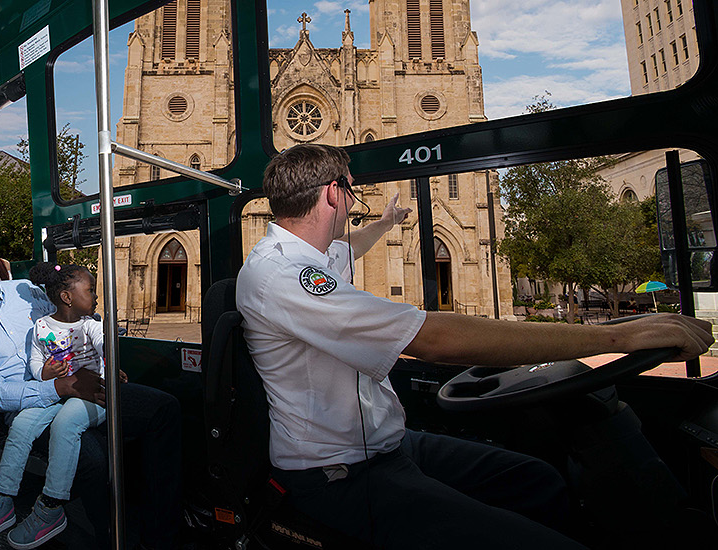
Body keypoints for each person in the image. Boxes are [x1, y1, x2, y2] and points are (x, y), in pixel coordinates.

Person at [238, 143, 714, 549]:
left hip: (389, 445)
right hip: (337, 474)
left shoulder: (311, 255)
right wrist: (619, 335)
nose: (352, 203)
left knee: (538, 482)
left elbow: (350, 246)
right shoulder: (284, 276)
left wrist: (384, 222)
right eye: (351, 190)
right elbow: (435, 339)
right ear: (331, 194)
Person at [0, 247, 182, 549]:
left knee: (163, 408)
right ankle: (108, 538)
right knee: (93, 457)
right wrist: (61, 387)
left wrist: (97, 357)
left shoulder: (25, 290)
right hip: (30, 405)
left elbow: (70, 318)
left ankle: (161, 535)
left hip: (82, 380)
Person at [0, 262, 114, 548]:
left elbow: (104, 345)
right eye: (91, 290)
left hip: (90, 394)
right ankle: (2, 498)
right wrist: (46, 373)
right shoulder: (42, 327)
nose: (96, 296)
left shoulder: (91, 326)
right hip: (58, 391)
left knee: (66, 424)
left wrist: (110, 370)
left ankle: (50, 504)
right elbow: (36, 362)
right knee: (21, 425)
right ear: (67, 297)